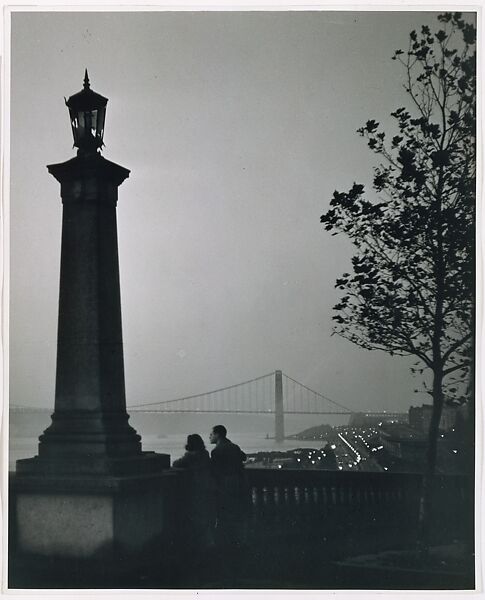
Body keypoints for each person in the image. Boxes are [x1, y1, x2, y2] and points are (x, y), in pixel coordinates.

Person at [172, 434, 215, 550]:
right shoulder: (205, 454)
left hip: (196, 487)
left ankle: (198, 544)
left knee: (196, 515)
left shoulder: (190, 456)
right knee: (206, 514)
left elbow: (175, 464)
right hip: (208, 486)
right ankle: (208, 542)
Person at [209, 425, 247, 547]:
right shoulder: (234, 447)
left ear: (218, 435)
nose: (209, 436)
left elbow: (214, 471)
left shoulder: (216, 451)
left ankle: (223, 541)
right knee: (234, 512)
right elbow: (243, 457)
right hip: (237, 482)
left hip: (224, 484)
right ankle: (235, 540)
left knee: (223, 512)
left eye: (212, 434)